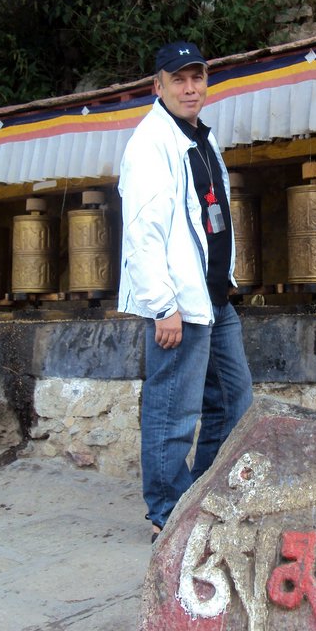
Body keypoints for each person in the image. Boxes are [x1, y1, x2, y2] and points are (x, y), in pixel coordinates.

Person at [117, 40, 253, 543]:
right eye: (179, 79)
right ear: (159, 86)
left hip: (214, 299)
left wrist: (225, 280)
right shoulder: (150, 144)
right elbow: (143, 231)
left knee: (234, 401)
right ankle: (167, 514)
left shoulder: (200, 139)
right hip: (178, 305)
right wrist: (162, 307)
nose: (190, 87)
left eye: (197, 77)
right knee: (174, 410)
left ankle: (202, 495)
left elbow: (209, 217)